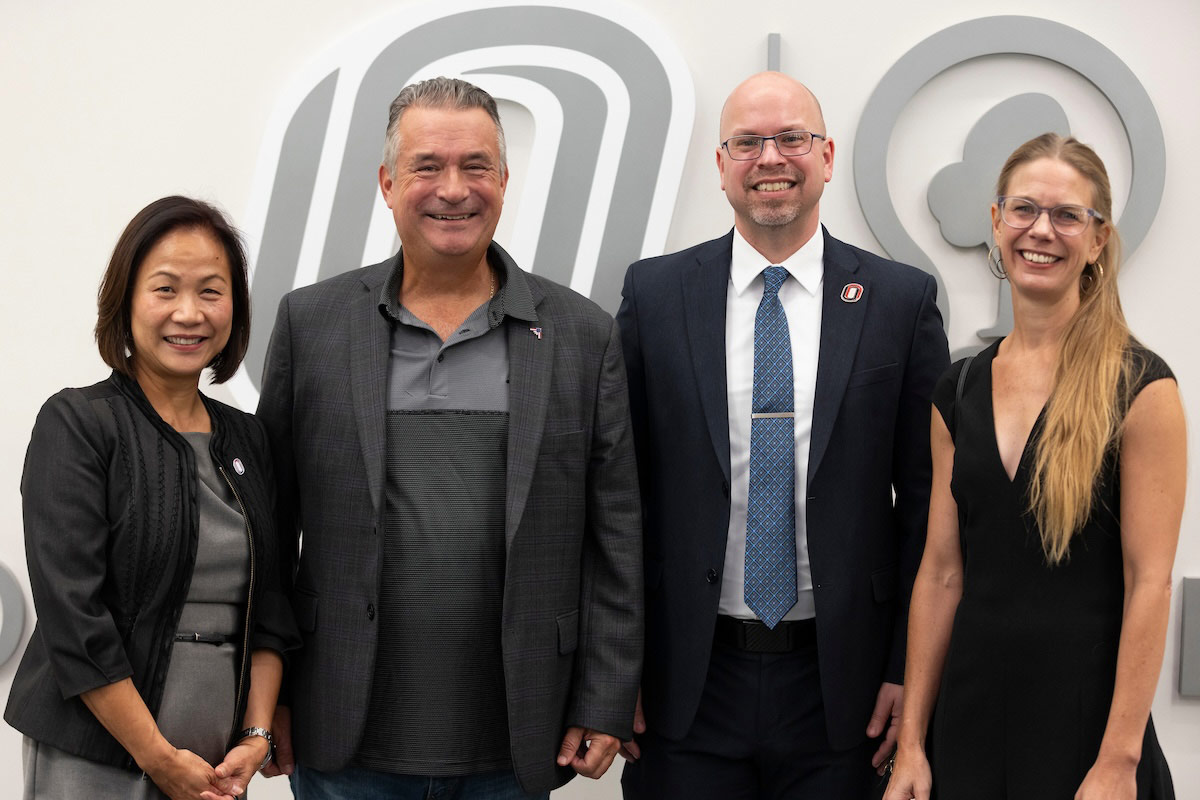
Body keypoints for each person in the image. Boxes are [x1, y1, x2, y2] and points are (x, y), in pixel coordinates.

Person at [255, 76, 642, 799]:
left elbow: (615, 536)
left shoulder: (582, 335)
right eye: (428, 165)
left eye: (476, 166)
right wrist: (261, 698)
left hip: (515, 736)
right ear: (388, 181)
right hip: (342, 733)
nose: (453, 189)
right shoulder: (312, 326)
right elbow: (271, 535)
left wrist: (605, 698)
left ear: (504, 178)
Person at [616, 70, 949, 798]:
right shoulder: (653, 294)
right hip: (686, 685)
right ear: (721, 165)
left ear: (826, 156)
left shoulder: (900, 301)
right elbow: (618, 498)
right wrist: (615, 673)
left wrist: (906, 670)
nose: (770, 158)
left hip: (842, 690)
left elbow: (928, 509)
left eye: (792, 138)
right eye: (747, 142)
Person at [885, 133, 1183, 800]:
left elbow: (1150, 583)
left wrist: (1118, 761)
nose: (1040, 230)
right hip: (965, 732)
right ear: (995, 223)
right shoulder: (957, 390)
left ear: (1098, 239)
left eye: (1067, 214)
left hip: (1086, 740)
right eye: (1023, 209)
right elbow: (940, 575)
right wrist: (911, 746)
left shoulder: (1142, 387)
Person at [5, 196, 300, 800]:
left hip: (216, 750)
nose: (188, 313)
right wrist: (156, 756)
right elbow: (74, 616)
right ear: (127, 300)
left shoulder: (248, 437)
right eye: (165, 289)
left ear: (235, 310)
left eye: (211, 292)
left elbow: (271, 607)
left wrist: (256, 734)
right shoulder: (79, 424)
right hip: (98, 743)